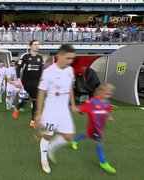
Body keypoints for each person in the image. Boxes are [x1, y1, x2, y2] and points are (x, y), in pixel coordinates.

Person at [34, 44, 78, 173]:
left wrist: (73, 104)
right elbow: (41, 92)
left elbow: (70, 87)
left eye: (72, 59)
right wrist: (38, 112)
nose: (70, 61)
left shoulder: (70, 70)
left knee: (69, 136)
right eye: (68, 58)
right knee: (47, 135)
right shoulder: (48, 72)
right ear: (59, 56)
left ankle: (51, 147)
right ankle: (44, 159)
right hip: (51, 111)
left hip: (64, 110)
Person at [71, 83, 116, 174]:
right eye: (107, 94)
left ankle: (74, 140)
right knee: (99, 143)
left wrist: (109, 116)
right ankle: (103, 162)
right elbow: (83, 109)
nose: (108, 96)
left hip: (100, 127)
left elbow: (107, 111)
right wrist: (76, 109)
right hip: (94, 127)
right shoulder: (92, 102)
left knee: (87, 134)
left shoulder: (107, 103)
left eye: (110, 94)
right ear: (100, 92)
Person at [12, 40, 44, 127]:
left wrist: (43, 80)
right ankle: (17, 108)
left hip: (36, 84)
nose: (37, 46)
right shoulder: (25, 56)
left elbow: (41, 71)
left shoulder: (40, 57)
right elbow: (18, 68)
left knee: (35, 102)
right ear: (31, 46)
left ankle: (33, 122)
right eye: (35, 44)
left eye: (38, 45)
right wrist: (18, 79)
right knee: (25, 100)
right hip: (26, 83)